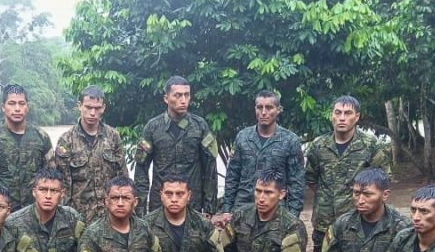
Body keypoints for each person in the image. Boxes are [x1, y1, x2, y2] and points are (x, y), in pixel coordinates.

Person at [305, 95, 392, 252]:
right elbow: (312, 179)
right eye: (338, 113)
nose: (342, 118)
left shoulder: (370, 145)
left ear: (357, 117)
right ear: (332, 115)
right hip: (325, 222)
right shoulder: (318, 146)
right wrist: (330, 198)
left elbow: (383, 180)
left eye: (347, 113)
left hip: (359, 221)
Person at [133, 75, 220, 215]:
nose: (183, 100)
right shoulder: (152, 127)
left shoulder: (200, 126)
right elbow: (141, 169)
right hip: (160, 203)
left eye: (187, 95)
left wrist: (210, 208)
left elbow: (210, 169)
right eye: (178, 95)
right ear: (166, 98)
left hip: (192, 203)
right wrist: (140, 209)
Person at [220, 90, 305, 216]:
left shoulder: (290, 140)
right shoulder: (243, 137)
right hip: (243, 208)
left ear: (278, 109)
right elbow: (232, 176)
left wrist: (293, 215)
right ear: (255, 109)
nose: (264, 112)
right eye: (260, 107)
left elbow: (296, 182)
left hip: (275, 211)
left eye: (269, 107)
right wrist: (227, 209)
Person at [54, 86, 128, 224]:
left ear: (103, 108)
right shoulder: (66, 140)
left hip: (110, 215)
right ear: (79, 106)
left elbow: (122, 177)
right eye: (88, 107)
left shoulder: (113, 137)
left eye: (97, 108)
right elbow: (61, 184)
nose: (93, 113)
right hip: (78, 217)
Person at [0, 84, 54, 209]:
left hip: (33, 210)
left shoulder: (41, 137)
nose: (17, 108)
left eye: (21, 103)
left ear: (27, 107)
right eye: (11, 103)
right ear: (3, 107)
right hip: (0, 210)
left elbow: (50, 175)